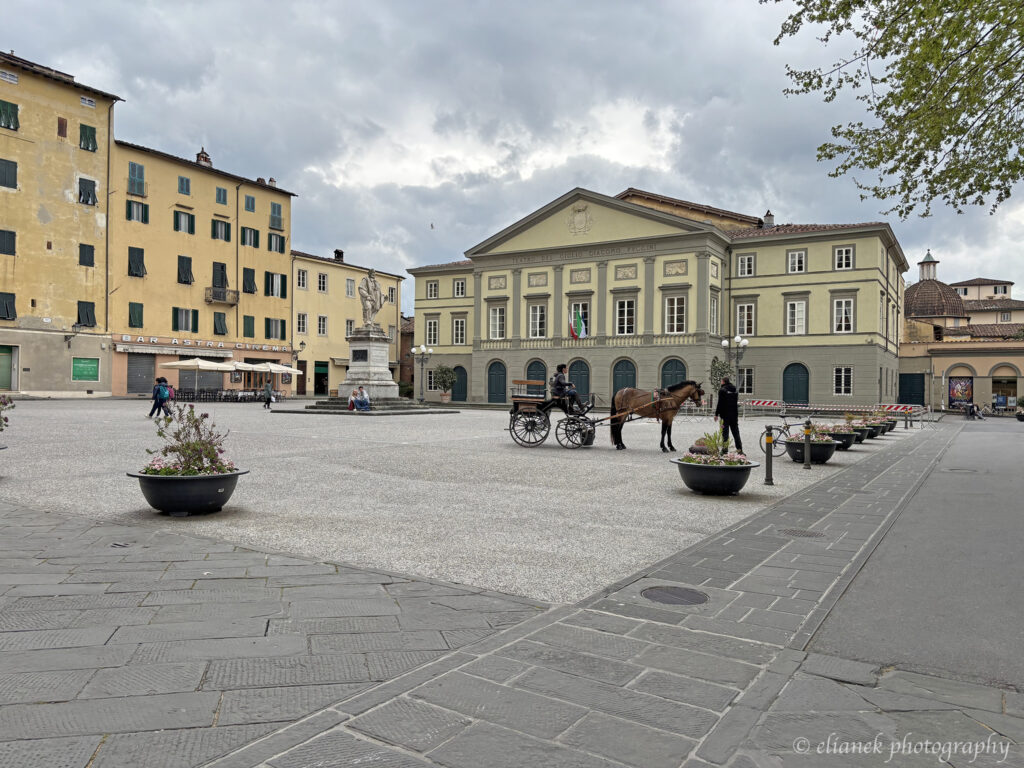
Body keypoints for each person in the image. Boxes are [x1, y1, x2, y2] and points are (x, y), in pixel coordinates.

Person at [714, 377, 744, 453]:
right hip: (734, 414)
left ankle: (725, 450)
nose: (721, 382)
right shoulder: (735, 389)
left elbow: (720, 403)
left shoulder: (722, 390)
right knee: (736, 433)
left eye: (721, 381)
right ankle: (740, 450)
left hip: (724, 415)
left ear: (723, 382)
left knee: (725, 433)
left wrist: (716, 414)